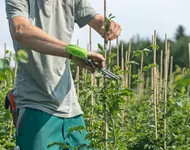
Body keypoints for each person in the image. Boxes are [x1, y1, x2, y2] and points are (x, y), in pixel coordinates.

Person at [5, 0, 121, 149]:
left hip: (70, 108)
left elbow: (95, 18)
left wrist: (108, 26)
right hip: (35, 104)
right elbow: (21, 30)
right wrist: (72, 52)